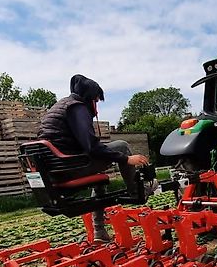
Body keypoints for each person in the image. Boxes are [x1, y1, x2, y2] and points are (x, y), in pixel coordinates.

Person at [38, 74, 148, 241]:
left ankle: (99, 232)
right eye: (96, 100)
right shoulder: (77, 108)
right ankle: (137, 190)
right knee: (121, 145)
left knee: (99, 179)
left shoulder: (59, 107)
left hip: (57, 169)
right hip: (71, 167)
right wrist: (126, 159)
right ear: (90, 98)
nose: (96, 105)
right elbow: (91, 146)